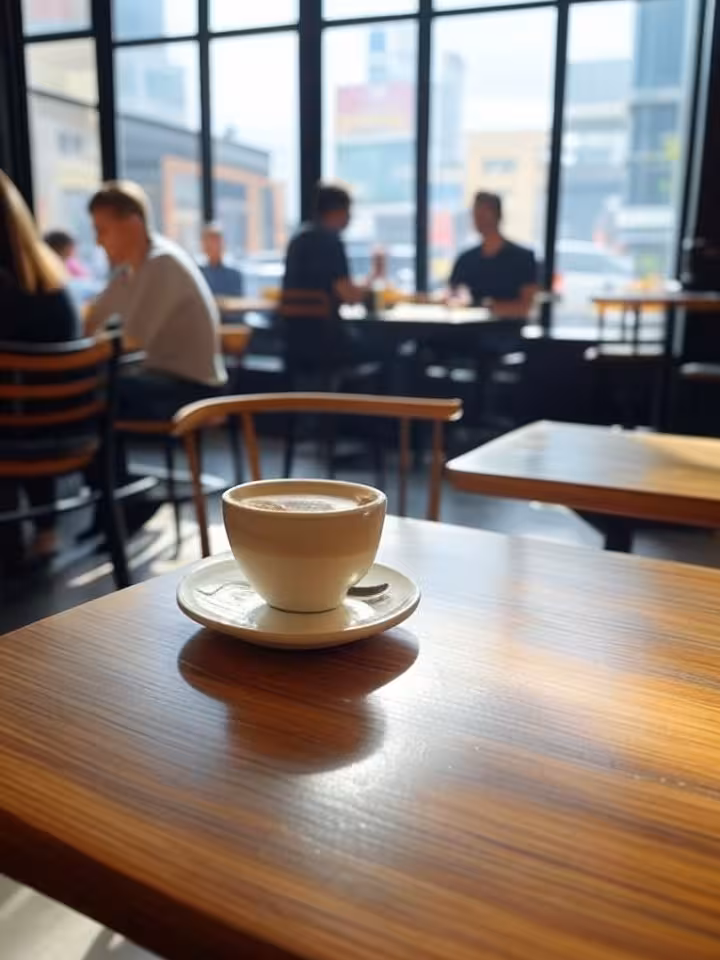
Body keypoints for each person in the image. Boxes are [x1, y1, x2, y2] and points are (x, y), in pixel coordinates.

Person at [85, 180, 227, 421]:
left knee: (96, 388)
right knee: (95, 383)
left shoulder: (162, 263)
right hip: (165, 377)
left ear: (132, 224)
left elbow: (133, 340)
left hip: (194, 389)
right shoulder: (130, 269)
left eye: (102, 230)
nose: (98, 241)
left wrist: (79, 353)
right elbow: (94, 317)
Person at [0, 171, 81, 563]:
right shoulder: (52, 276)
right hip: (67, 430)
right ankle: (43, 530)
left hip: (14, 441)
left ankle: (10, 535)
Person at [283, 183, 378, 310]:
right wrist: (375, 276)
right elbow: (349, 296)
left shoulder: (298, 238)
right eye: (348, 211)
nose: (349, 217)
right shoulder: (331, 242)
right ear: (337, 211)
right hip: (323, 320)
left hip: (290, 320)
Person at [448, 192, 538, 319]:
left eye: (484, 212)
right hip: (467, 327)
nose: (478, 217)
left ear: (497, 215)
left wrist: (487, 308)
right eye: (476, 213)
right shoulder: (466, 259)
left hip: (506, 328)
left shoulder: (523, 258)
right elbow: (453, 295)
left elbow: (525, 307)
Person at [199, 222, 243, 298]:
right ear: (204, 247)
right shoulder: (199, 274)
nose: (214, 247)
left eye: (217, 242)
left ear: (223, 245)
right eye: (209, 243)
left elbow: (238, 301)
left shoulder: (234, 275)